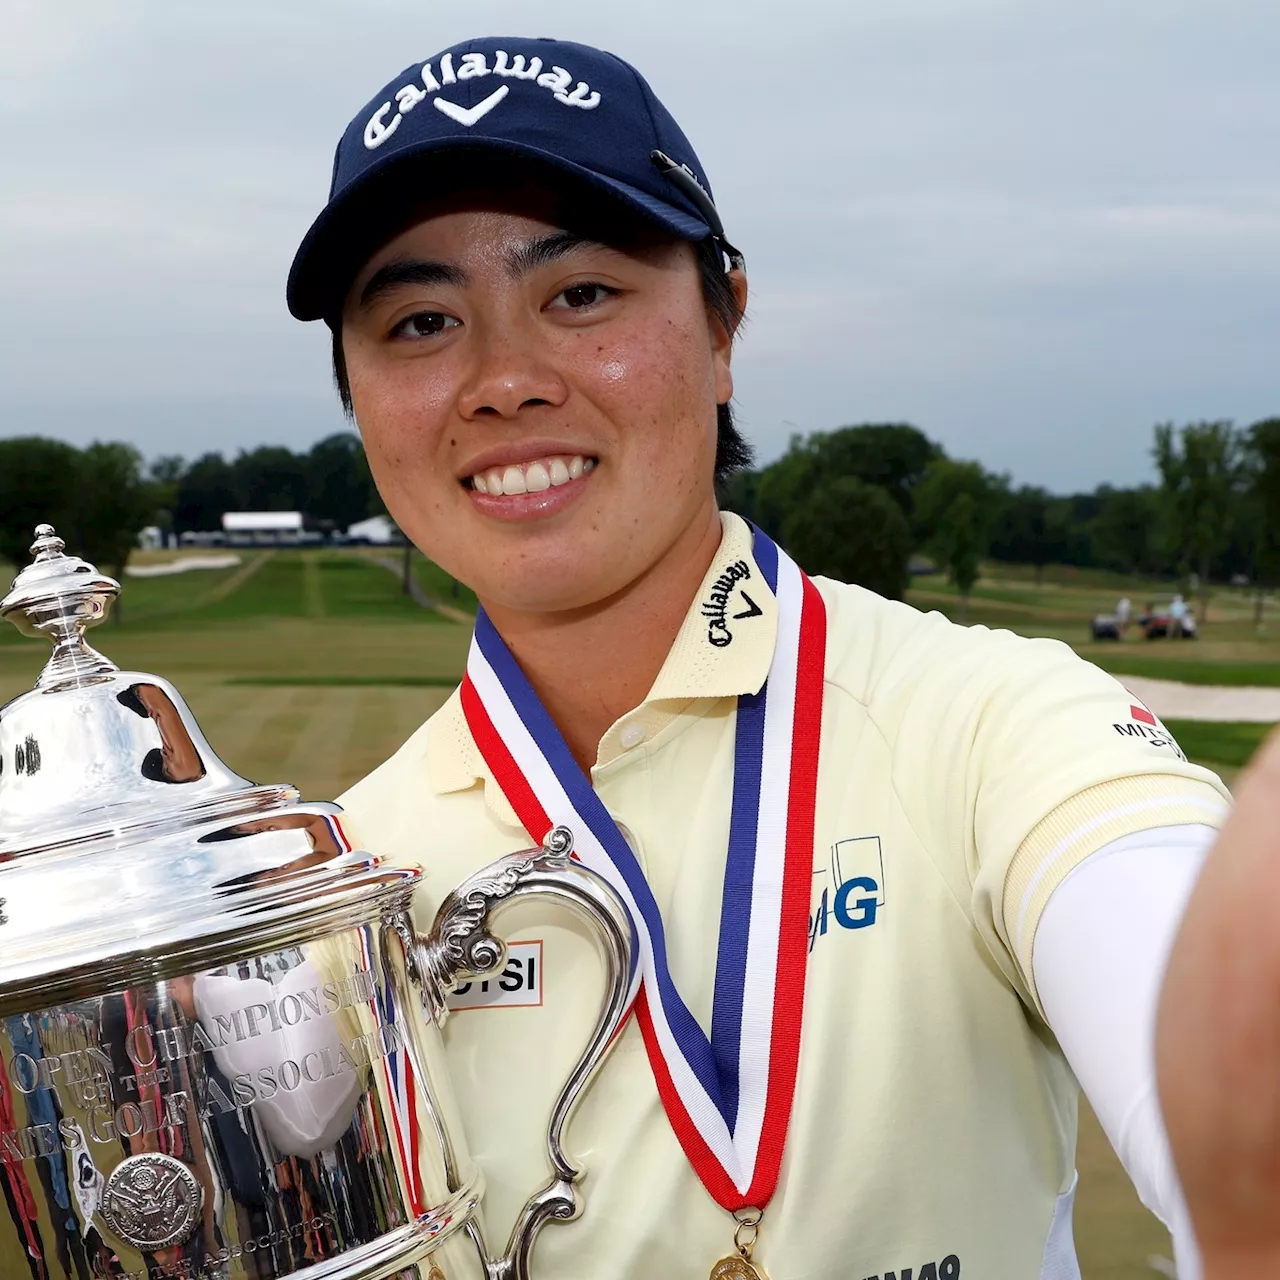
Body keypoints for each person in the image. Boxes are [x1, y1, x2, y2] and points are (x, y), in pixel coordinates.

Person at [286, 37, 1249, 1277]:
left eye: (579, 293)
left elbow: (1203, 1047)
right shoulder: (342, 887)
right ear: (356, 400)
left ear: (724, 317)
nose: (504, 381)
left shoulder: (994, 720)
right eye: (421, 321)